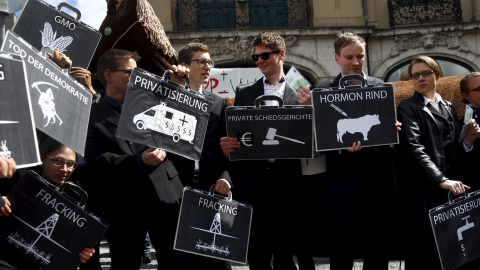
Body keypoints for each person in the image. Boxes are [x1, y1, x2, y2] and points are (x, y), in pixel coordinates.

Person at [84, 48, 194, 270]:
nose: (137, 78)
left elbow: (190, 121)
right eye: (130, 72)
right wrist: (138, 162)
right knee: (125, 263)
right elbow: (97, 160)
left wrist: (181, 84)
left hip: (166, 195)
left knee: (177, 263)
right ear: (108, 75)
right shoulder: (91, 115)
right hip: (124, 205)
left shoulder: (155, 101)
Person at [220, 32, 315, 270]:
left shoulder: (304, 90)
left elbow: (316, 134)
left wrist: (312, 109)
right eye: (255, 57)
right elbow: (238, 136)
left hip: (292, 181)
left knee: (287, 250)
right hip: (254, 182)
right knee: (257, 251)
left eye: (264, 56)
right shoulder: (245, 92)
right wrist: (228, 144)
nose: (259, 61)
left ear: (281, 54)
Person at [308, 32, 399, 269]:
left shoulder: (381, 87)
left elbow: (388, 133)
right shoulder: (322, 91)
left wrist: (394, 129)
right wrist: (340, 150)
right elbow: (316, 139)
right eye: (349, 57)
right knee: (341, 250)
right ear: (337, 58)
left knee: (377, 250)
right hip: (340, 185)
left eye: (360, 56)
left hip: (376, 184)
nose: (356, 62)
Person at [396, 56, 479, 270]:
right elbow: (415, 149)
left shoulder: (450, 107)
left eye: (426, 73)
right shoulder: (407, 107)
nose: (421, 78)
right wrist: (441, 179)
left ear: (437, 75)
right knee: (428, 255)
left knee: (456, 252)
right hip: (425, 190)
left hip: (453, 190)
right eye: (416, 75)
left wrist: (468, 142)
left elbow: (455, 151)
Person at [168, 42, 232, 269]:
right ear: (184, 66)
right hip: (175, 191)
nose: (208, 67)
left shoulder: (218, 103)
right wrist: (172, 84)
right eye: (201, 61)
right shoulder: (168, 96)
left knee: (217, 261)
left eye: (209, 62)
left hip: (210, 190)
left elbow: (224, 150)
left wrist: (226, 178)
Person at [0, 138, 95, 269]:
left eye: (71, 164)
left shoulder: (76, 196)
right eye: (57, 161)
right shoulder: (17, 179)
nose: (64, 169)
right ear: (42, 159)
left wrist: (82, 252)